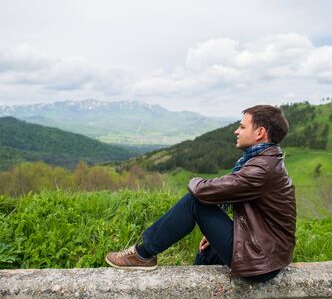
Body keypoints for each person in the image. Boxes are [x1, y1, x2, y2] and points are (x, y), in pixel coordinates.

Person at [105, 105, 296, 281]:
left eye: (242, 127)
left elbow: (205, 191)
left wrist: (193, 180)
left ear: (260, 133)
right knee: (207, 252)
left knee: (195, 201)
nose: (236, 131)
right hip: (267, 254)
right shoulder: (266, 161)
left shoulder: (262, 168)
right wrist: (218, 231)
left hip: (262, 262)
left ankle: (143, 254)